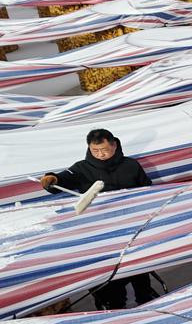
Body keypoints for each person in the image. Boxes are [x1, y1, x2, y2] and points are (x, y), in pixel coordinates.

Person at [39, 128, 156, 310]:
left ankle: (146, 299)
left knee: (139, 267)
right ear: (89, 148)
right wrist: (51, 179)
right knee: (111, 274)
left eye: (105, 149)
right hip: (102, 231)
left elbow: (148, 191)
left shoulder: (131, 165)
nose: (101, 154)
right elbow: (61, 180)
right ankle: (112, 306)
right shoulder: (81, 168)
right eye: (96, 151)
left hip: (133, 226)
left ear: (114, 145)